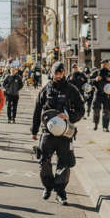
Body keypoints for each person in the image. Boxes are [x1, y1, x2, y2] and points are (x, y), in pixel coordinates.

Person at [31, 62, 85, 205]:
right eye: (56, 73)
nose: (58, 75)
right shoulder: (45, 90)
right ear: (52, 73)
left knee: (65, 163)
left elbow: (81, 109)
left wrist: (70, 117)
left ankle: (60, 191)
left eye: (61, 72)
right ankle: (48, 187)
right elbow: (37, 111)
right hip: (47, 132)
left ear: (64, 73)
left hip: (65, 133)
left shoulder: (71, 90)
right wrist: (34, 130)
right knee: (44, 160)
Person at [91, 59, 110, 131]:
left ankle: (105, 127)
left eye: (105, 63)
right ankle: (95, 125)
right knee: (96, 110)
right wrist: (95, 79)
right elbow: (89, 80)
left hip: (107, 95)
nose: (104, 65)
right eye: (102, 63)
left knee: (106, 111)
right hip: (98, 93)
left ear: (108, 64)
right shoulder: (96, 72)